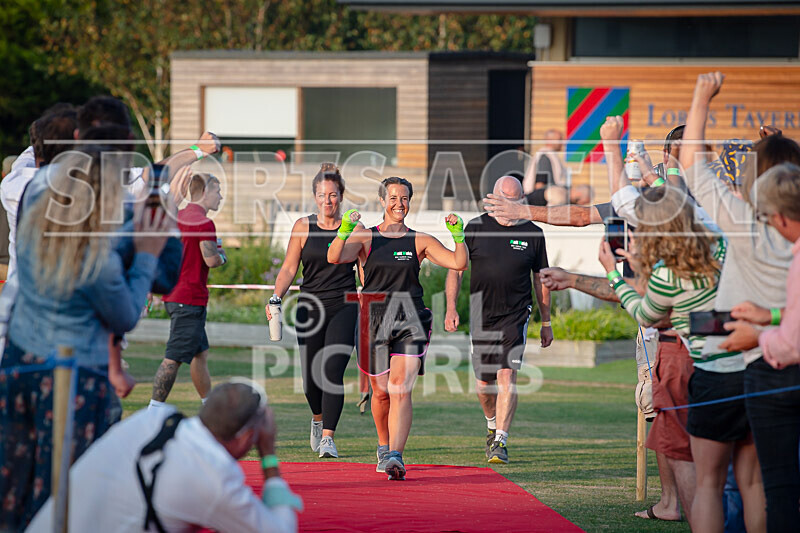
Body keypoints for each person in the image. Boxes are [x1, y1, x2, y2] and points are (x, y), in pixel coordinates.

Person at [0, 147, 171, 530]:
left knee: (19, 473)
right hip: (73, 373)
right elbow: (122, 315)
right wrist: (145, 255)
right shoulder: (95, 256)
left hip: (21, 357)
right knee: (79, 475)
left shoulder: (21, 201)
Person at [598, 184, 766, 533]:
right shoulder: (723, 248)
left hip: (712, 376)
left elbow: (645, 314)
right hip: (752, 369)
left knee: (707, 483)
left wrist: (615, 274)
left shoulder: (666, 276)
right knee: (752, 484)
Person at [680, 72, 799, 532]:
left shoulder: (747, 225)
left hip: (729, 362)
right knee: (760, 484)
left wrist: (701, 99)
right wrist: (778, 150)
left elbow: (694, 165)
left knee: (709, 481)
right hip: (777, 364)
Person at [328, 176, 467, 480]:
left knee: (399, 388)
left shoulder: (421, 240)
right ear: (382, 201)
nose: (398, 204)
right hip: (373, 321)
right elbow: (334, 256)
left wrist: (458, 235)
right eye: (392, 198)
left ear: (409, 201)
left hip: (410, 318)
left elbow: (458, 263)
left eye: (404, 198)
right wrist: (344, 231)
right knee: (380, 393)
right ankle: (383, 445)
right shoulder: (366, 237)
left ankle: (396, 456)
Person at [27, 379, 302, 533]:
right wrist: (268, 454)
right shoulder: (212, 477)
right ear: (244, 437)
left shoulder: (155, 419)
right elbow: (280, 529)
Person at [444, 176, 552, 464]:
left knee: (507, 374)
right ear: (493, 199)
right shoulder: (476, 228)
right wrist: (451, 308)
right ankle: (492, 425)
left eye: (516, 201)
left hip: (516, 314)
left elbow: (540, 279)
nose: (510, 206)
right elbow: (456, 269)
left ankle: (501, 441)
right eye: (505, 200)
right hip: (482, 313)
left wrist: (546, 322)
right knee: (483, 385)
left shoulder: (534, 233)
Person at [267, 163, 361, 459]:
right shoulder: (303, 226)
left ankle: (329, 438)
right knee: (310, 379)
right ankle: (318, 419)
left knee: (331, 370)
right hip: (309, 306)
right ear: (314, 196)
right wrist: (275, 298)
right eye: (322, 195)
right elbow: (289, 268)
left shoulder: (356, 229)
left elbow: (366, 271)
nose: (328, 201)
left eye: (333, 195)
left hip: (344, 306)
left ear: (341, 196)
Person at [149, 172, 226, 410]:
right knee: (173, 358)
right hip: (189, 298)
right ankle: (153, 411)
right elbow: (211, 259)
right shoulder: (203, 222)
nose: (220, 197)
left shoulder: (176, 217)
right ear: (204, 193)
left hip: (176, 295)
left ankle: (208, 405)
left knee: (199, 355)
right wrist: (222, 255)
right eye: (217, 191)